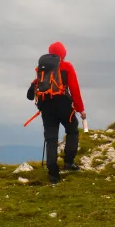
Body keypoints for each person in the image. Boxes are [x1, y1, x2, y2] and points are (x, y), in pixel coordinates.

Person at [27, 41, 86, 184]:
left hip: (46, 106)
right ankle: (69, 162)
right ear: (63, 53)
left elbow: (31, 93)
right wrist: (80, 109)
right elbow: (74, 88)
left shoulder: (42, 69)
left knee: (51, 138)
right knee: (72, 129)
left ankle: (53, 173)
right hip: (63, 104)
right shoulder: (67, 66)